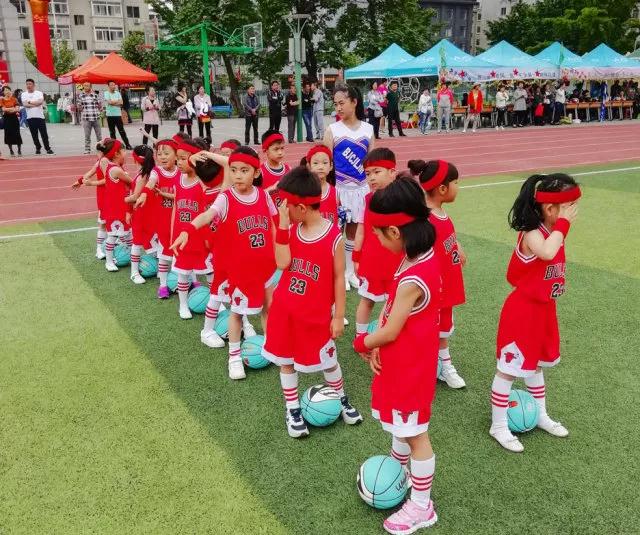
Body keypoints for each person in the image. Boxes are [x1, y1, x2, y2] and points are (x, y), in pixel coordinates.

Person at [353, 177, 440, 533]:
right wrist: (381, 345)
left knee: (416, 435)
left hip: (411, 366)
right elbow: (395, 319)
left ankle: (421, 506)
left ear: (394, 231)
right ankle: (398, 466)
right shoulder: (417, 257)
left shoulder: (412, 277)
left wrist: (363, 342)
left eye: (377, 233)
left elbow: (389, 330)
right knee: (402, 427)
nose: (374, 239)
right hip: (405, 358)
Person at [262, 166, 362, 438]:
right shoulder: (291, 230)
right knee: (286, 360)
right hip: (285, 311)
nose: (283, 209)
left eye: (286, 204)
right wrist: (283, 227)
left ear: (301, 208)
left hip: (316, 315)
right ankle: (292, 408)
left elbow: (339, 278)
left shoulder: (333, 237)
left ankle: (340, 398)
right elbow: (282, 263)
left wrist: (338, 316)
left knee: (329, 360)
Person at [490, 173, 580, 453]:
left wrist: (561, 225)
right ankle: (498, 425)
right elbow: (547, 253)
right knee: (508, 370)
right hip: (523, 311)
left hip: (544, 309)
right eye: (569, 206)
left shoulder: (555, 230)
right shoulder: (533, 233)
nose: (574, 211)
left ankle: (541, 414)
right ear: (550, 209)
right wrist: (563, 224)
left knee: (536, 364)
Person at [171, 146, 277, 381]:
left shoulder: (264, 196)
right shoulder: (226, 197)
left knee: (268, 308)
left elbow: (273, 224)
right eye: (234, 170)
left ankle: (271, 346)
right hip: (237, 268)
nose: (238, 175)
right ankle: (234, 357)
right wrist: (188, 229)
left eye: (244, 170)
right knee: (236, 313)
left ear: (256, 173)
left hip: (264, 266)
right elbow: (207, 215)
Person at [414, 159, 467, 389]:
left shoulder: (441, 213)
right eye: (456, 182)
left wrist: (457, 247)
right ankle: (424, 366)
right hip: (433, 288)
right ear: (443, 189)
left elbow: (447, 236)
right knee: (424, 328)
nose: (458, 187)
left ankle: (444, 366)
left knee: (443, 327)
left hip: (448, 283)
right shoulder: (426, 219)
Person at [323, 85, 374, 291]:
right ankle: (337, 274)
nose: (338, 108)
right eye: (335, 104)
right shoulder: (332, 130)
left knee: (354, 233)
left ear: (354, 102)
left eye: (342, 103)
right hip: (339, 189)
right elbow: (324, 162)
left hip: (361, 189)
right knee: (337, 233)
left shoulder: (368, 129)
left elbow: (372, 163)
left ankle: (350, 273)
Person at [353, 148, 402, 340]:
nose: (371, 178)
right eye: (367, 174)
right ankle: (360, 336)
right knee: (367, 300)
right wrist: (356, 258)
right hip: (372, 261)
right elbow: (360, 231)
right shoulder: (366, 200)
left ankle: (390, 336)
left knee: (395, 302)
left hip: (397, 262)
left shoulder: (403, 199)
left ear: (392, 172)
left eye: (376, 172)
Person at [170, 134, 213, 319]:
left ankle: (217, 303)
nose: (178, 162)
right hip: (182, 235)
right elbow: (175, 208)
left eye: (183, 158)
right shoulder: (178, 180)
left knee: (210, 272)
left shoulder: (203, 182)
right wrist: (172, 233)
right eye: (177, 158)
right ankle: (183, 304)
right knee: (183, 273)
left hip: (201, 235)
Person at [134, 139, 180, 298]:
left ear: (176, 156)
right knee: (164, 255)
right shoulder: (156, 171)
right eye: (159, 154)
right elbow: (151, 182)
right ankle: (163, 286)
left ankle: (189, 282)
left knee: (183, 253)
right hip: (163, 221)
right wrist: (144, 194)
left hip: (179, 220)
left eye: (166, 153)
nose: (162, 157)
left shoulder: (182, 172)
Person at [98, 138, 134, 272]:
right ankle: (109, 261)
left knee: (128, 234)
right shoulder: (115, 170)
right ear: (117, 154)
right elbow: (132, 182)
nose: (126, 153)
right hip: (115, 208)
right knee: (113, 236)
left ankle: (132, 257)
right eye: (123, 151)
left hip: (121, 207)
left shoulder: (113, 167)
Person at [124, 145, 156, 284]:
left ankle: (135, 272)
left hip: (143, 213)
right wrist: (128, 210)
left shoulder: (144, 175)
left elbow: (135, 197)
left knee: (137, 243)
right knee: (152, 241)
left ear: (135, 159)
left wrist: (121, 199)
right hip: (148, 212)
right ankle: (135, 272)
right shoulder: (149, 172)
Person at [71, 147, 107, 258]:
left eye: (100, 151)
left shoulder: (110, 162)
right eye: (98, 151)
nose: (98, 153)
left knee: (117, 223)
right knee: (103, 223)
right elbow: (91, 173)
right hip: (104, 197)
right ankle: (99, 249)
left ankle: (112, 247)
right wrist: (80, 181)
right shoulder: (100, 162)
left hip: (114, 196)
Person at [259, 130, 291, 223]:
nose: (280, 152)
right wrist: (270, 189)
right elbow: (255, 197)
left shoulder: (289, 169)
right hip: (270, 221)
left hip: (288, 220)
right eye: (276, 149)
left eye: (282, 148)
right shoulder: (260, 172)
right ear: (265, 150)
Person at [21, 79, 53, 155]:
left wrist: (29, 102)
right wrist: (35, 104)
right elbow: (25, 105)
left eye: (30, 84)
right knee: (34, 135)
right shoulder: (24, 94)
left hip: (40, 117)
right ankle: (38, 148)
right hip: (30, 118)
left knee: (44, 134)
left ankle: (48, 148)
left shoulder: (39, 93)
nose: (28, 85)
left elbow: (40, 102)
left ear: (34, 85)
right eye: (27, 84)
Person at [104, 81, 132, 149]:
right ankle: (114, 147)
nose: (113, 86)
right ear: (108, 86)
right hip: (110, 115)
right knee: (112, 132)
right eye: (111, 85)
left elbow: (121, 103)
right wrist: (116, 102)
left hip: (118, 115)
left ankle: (128, 145)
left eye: (114, 85)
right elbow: (109, 102)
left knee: (122, 131)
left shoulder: (118, 93)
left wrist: (113, 102)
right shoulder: (106, 93)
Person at [77, 82, 102, 154]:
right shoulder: (81, 96)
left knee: (99, 135)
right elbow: (79, 107)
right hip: (86, 118)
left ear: (90, 87)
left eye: (87, 86)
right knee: (87, 135)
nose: (86, 87)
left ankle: (100, 148)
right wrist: (79, 107)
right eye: (84, 86)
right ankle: (87, 149)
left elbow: (99, 105)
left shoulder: (95, 95)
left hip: (96, 117)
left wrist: (100, 108)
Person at [1, 85, 23, 157]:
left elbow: (17, 109)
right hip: (6, 119)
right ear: (3, 92)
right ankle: (11, 150)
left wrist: (9, 109)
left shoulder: (14, 99)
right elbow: (3, 109)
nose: (7, 92)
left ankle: (19, 150)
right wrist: (12, 108)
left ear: (10, 91)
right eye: (5, 90)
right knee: (8, 134)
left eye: (8, 90)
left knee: (17, 133)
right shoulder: (2, 100)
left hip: (14, 118)